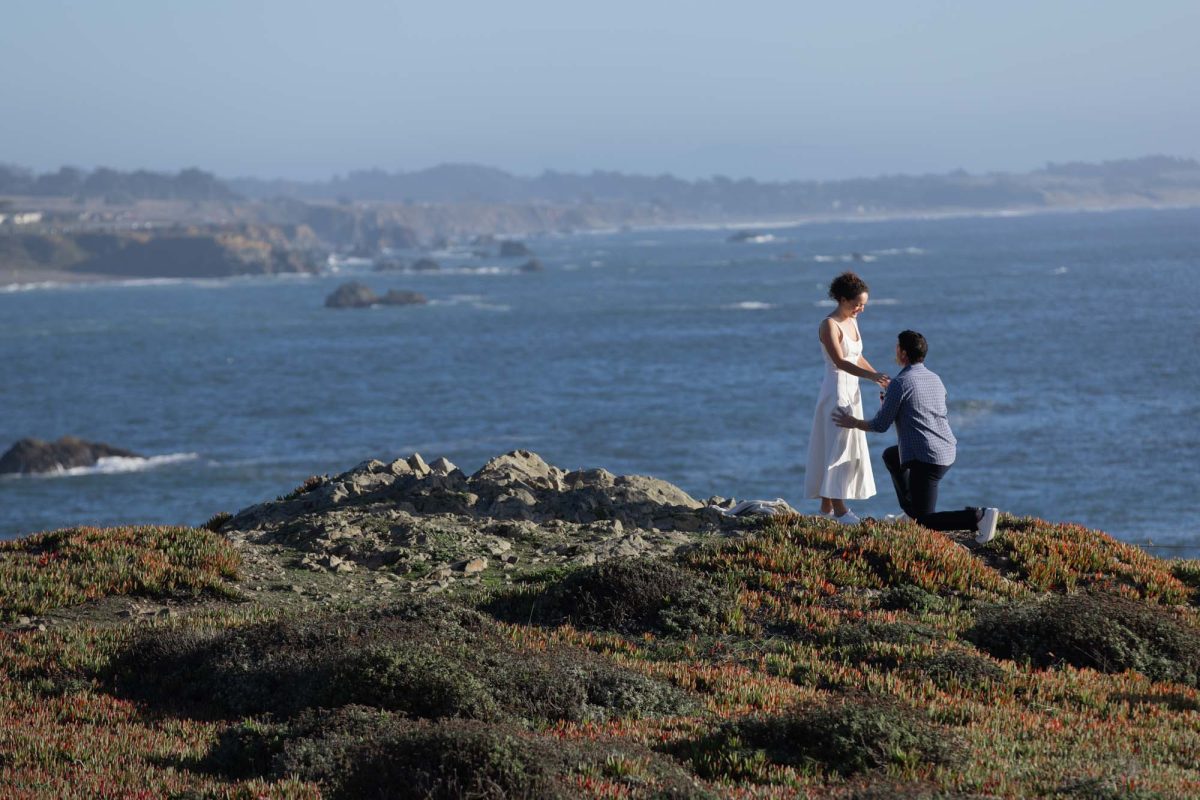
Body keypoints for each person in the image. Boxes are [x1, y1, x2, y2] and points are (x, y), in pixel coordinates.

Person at [833, 330, 999, 544]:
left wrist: (853, 422)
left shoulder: (899, 384)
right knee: (892, 456)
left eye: (897, 347)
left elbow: (880, 425)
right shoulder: (935, 379)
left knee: (926, 521)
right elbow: (920, 410)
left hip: (927, 458)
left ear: (902, 353)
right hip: (946, 448)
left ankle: (977, 517)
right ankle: (910, 513)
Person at [804, 272, 890, 526]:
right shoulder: (829, 324)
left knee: (842, 444)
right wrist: (868, 375)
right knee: (837, 447)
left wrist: (876, 377)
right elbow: (840, 361)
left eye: (863, 304)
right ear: (842, 299)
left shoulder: (852, 321)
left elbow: (856, 356)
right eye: (857, 304)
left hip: (852, 391)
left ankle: (826, 510)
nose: (860, 309)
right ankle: (841, 510)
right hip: (836, 392)